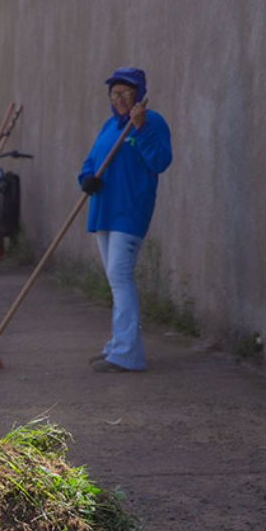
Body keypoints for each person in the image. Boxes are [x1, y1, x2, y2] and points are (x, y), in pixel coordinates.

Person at [79, 67, 173, 373]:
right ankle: (117, 346)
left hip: (130, 210)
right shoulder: (109, 125)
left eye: (126, 93)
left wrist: (141, 128)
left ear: (139, 96)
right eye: (114, 93)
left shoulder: (151, 122)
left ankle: (126, 354)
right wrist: (86, 178)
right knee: (114, 280)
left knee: (120, 277)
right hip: (104, 208)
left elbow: (160, 161)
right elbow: (91, 160)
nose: (119, 99)